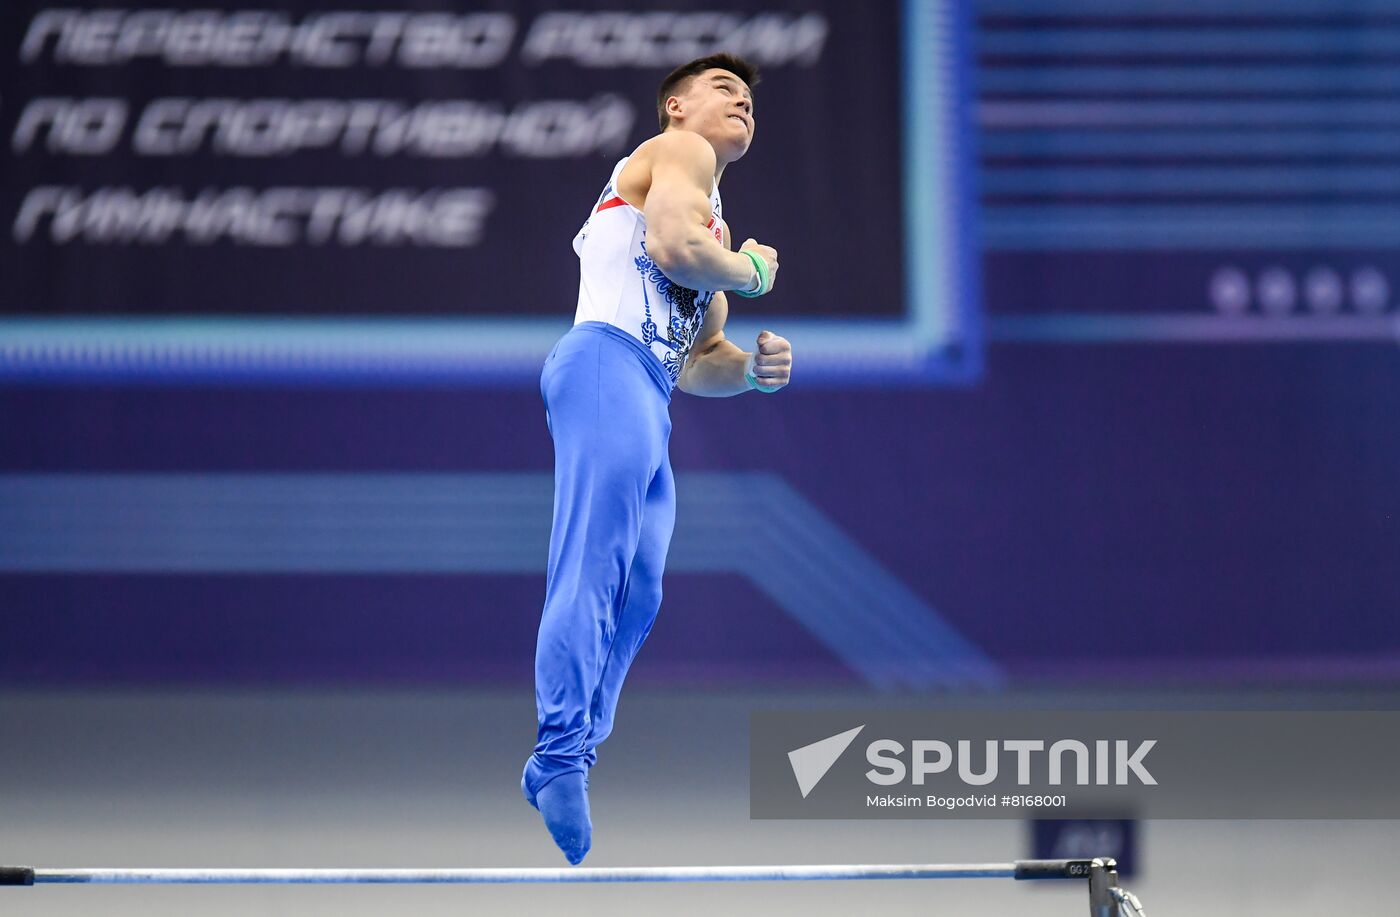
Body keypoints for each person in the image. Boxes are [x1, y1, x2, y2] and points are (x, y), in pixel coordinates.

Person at [521, 52, 791, 865]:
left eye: (748, 96)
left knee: (638, 592)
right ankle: (560, 751)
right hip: (604, 364)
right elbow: (672, 251)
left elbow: (696, 356)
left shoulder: (706, 208)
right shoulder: (679, 157)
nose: (741, 99)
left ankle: (570, 754)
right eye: (721, 88)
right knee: (593, 568)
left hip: (646, 388)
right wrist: (751, 271)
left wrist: (751, 369)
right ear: (676, 106)